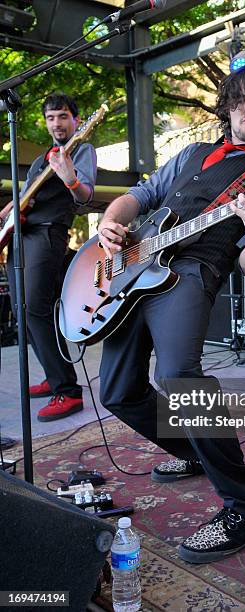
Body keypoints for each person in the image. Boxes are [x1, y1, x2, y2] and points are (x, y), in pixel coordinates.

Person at [98, 63, 245, 563]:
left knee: (180, 376)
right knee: (118, 391)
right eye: (241, 100)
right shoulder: (190, 153)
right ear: (227, 105)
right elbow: (136, 198)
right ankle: (194, 451)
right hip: (134, 269)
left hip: (191, 274)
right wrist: (109, 224)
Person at [0, 93, 97, 422]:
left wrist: (70, 177)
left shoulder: (82, 149)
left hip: (47, 234)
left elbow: (84, 196)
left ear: (77, 120)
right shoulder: (43, 158)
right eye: (51, 118)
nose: (56, 123)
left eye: (62, 116)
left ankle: (68, 391)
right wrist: (14, 205)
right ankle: (53, 376)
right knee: (22, 312)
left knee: (36, 310)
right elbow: (28, 196)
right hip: (22, 235)